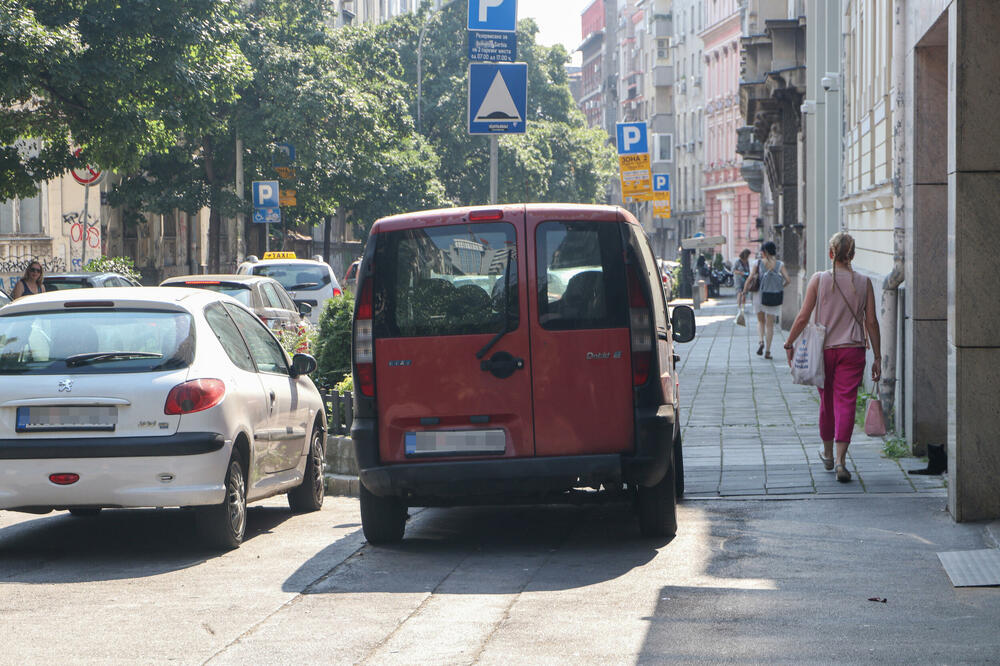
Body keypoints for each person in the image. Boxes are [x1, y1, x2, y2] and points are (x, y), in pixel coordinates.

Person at [783, 232, 882, 483]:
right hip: (853, 350)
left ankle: (827, 453)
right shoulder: (865, 282)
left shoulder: (819, 279)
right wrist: (878, 357)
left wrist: (789, 342)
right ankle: (841, 461)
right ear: (853, 255)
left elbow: (804, 316)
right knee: (846, 403)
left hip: (823, 350)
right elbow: (871, 322)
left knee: (827, 403)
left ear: (831, 254)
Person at [740, 241, 788, 359]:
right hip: (773, 296)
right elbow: (788, 280)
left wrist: (744, 292)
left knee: (761, 321)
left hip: (759, 296)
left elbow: (750, 278)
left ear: (764, 252)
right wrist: (779, 287)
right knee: (770, 324)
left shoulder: (758, 263)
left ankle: (761, 341)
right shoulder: (779, 264)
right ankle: (767, 351)